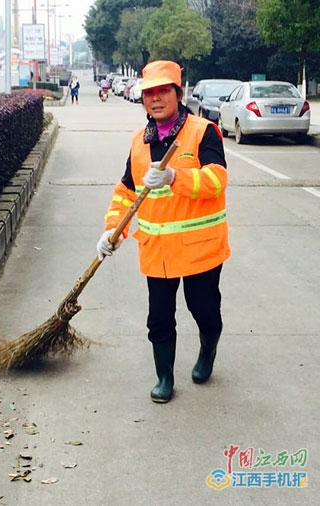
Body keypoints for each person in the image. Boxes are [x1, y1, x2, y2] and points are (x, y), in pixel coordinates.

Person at [96, 60, 231, 403]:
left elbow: (217, 180)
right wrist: (112, 231)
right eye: (149, 93)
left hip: (200, 247)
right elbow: (126, 192)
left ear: (177, 93)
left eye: (162, 91)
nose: (155, 99)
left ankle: (207, 349)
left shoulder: (203, 131)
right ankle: (165, 377)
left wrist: (176, 178)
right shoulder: (139, 143)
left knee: (203, 309)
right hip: (158, 249)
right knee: (159, 316)